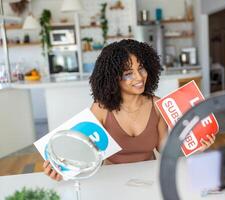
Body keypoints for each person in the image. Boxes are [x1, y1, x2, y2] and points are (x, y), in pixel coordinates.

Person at [43, 39, 215, 181]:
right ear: (113, 78)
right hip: (111, 180)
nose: (139, 77)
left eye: (141, 68)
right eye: (128, 73)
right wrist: (61, 168)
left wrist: (194, 147)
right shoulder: (101, 108)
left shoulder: (158, 105)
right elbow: (81, 147)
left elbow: (164, 147)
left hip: (150, 178)